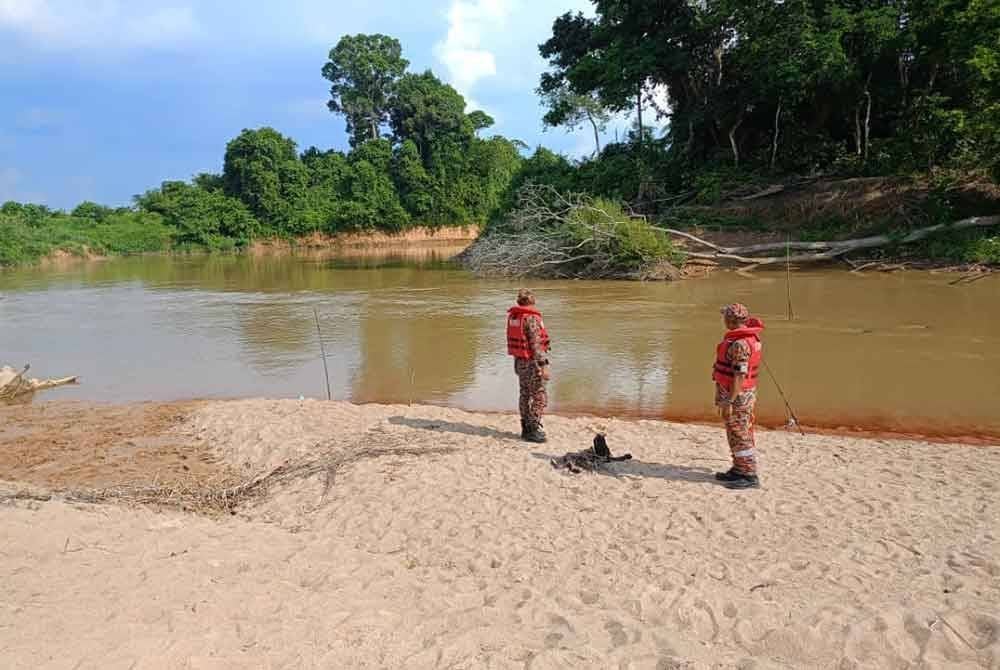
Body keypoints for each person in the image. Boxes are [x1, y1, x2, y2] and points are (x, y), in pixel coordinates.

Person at [712, 303, 765, 489]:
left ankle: (748, 474)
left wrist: (730, 401)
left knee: (739, 433)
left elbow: (739, 375)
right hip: (742, 394)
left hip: (738, 397)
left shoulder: (740, 344)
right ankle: (738, 468)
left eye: (725, 317)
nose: (723, 320)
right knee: (737, 431)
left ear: (731, 321)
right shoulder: (750, 338)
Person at [507, 289, 551, 443]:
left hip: (520, 362)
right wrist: (544, 365)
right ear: (532, 302)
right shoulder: (531, 318)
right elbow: (536, 345)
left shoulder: (515, 316)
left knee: (525, 394)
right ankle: (532, 429)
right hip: (532, 363)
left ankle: (525, 427)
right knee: (540, 396)